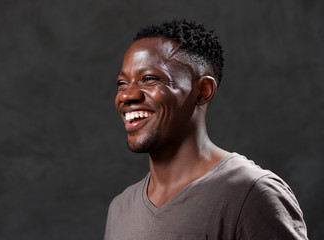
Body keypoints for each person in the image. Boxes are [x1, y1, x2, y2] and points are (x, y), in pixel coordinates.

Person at [104, 19, 307, 240]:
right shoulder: (120, 208)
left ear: (203, 90)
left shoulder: (251, 193)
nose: (126, 95)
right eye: (122, 83)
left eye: (149, 79)